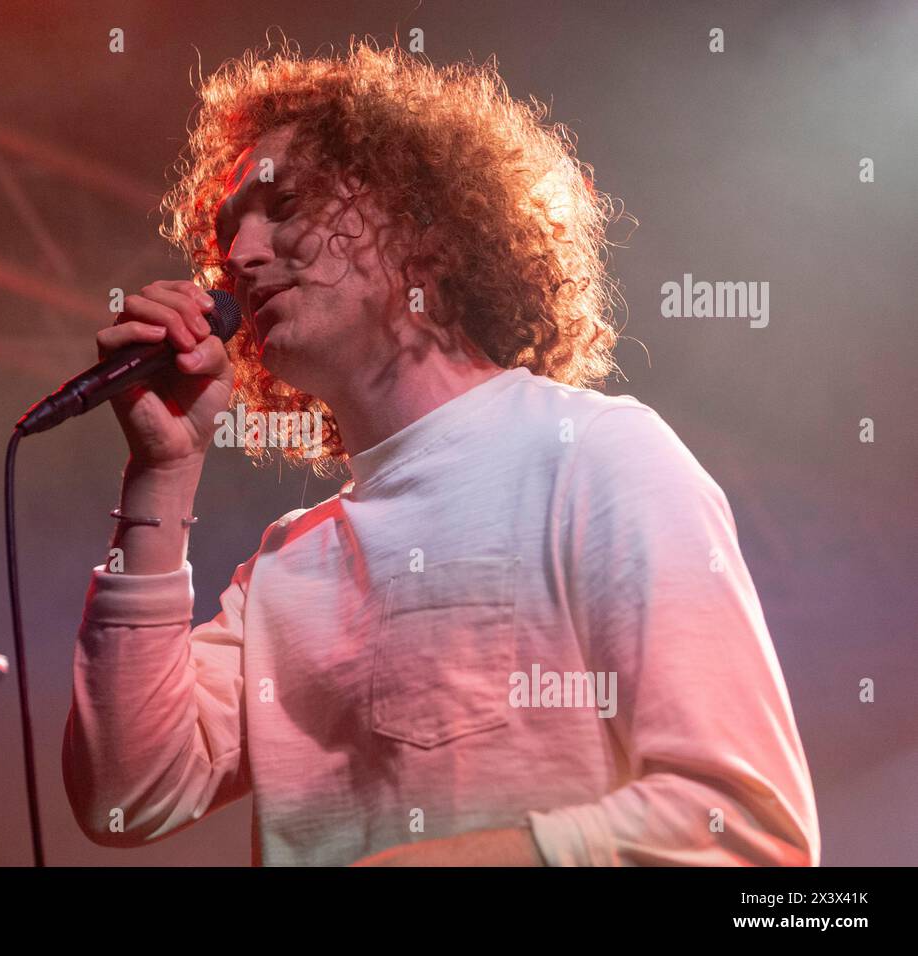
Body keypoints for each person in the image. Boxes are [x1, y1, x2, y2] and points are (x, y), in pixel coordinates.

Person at [60, 40, 819, 866]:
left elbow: (743, 831)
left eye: (283, 206)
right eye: (226, 229)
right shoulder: (286, 562)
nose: (237, 258)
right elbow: (125, 800)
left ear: (422, 220)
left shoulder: (595, 457)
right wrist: (162, 472)